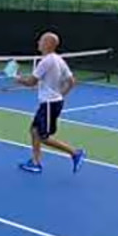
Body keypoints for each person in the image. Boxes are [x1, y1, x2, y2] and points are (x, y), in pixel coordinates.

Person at [15, 32, 86, 174]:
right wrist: (60, 95)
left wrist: (18, 79)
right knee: (34, 131)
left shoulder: (46, 61)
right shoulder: (59, 60)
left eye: (41, 40)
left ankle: (75, 153)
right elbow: (72, 81)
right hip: (51, 102)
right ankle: (35, 163)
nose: (38, 42)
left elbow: (31, 82)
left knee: (43, 136)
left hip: (49, 104)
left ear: (48, 44)